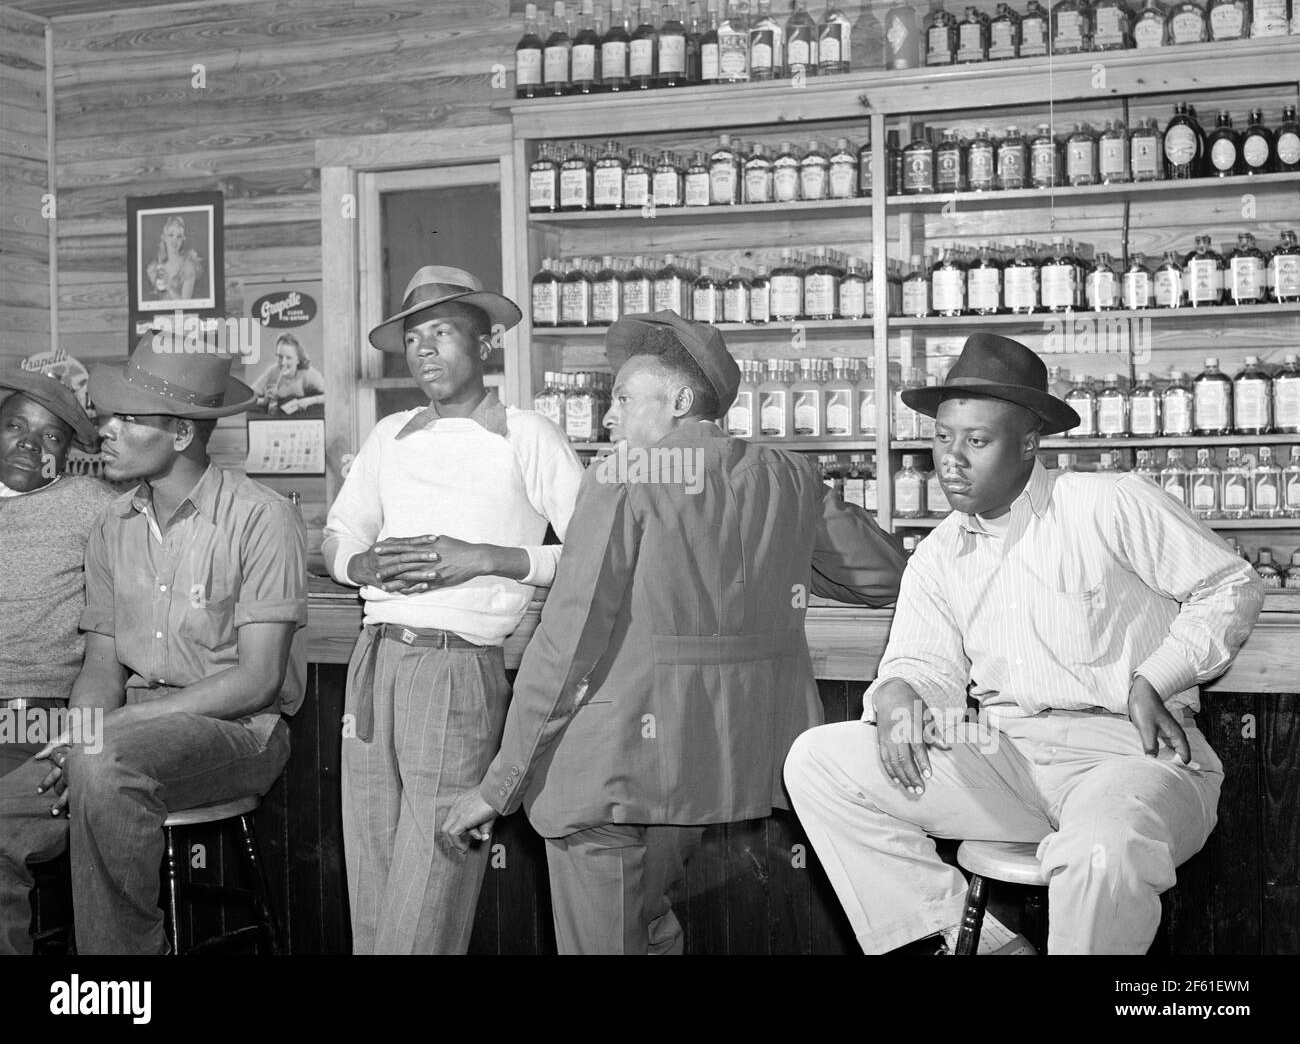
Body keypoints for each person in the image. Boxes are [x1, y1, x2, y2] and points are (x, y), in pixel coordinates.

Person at [783, 332, 1265, 956]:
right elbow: (922, 663)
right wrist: (900, 690)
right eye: (942, 437)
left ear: (1030, 444)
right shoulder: (938, 552)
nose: (950, 460)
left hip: (1131, 755)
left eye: (976, 441)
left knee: (1101, 849)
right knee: (819, 760)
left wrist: (1159, 675)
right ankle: (990, 951)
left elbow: (1230, 585)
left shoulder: (1108, 503)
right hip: (1006, 755)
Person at [444, 310, 907, 955]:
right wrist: (781, 559)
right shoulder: (789, 477)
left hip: (606, 776)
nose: (609, 418)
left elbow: (566, 643)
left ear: (682, 401)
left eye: (625, 399)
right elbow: (886, 576)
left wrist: (501, 783)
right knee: (650, 928)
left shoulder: (619, 479)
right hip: (706, 774)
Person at [0, 341, 307, 955]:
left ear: (182, 433)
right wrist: (84, 727)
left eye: (128, 419)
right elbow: (100, 663)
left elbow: (257, 682)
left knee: (102, 764)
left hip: (240, 731)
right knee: (12, 803)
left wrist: (109, 731)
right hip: (125, 728)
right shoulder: (113, 526)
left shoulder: (261, 517)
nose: (105, 432)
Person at [322, 265, 583, 955]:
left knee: (430, 886)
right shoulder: (389, 435)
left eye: (442, 332)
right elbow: (337, 535)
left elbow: (595, 555)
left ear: (487, 344)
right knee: (373, 884)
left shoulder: (527, 433)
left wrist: (490, 557)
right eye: (413, 337)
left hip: (455, 666)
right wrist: (360, 564)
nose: (425, 350)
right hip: (374, 660)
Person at [0, 366, 117, 779]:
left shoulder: (92, 503)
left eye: (50, 437)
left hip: (31, 714)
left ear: (67, 454)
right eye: (14, 426)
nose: (29, 444)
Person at [250, 334, 326, 416]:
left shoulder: (308, 373)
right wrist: (264, 401)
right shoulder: (273, 371)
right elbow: (247, 397)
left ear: (298, 360)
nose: (283, 363)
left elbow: (330, 395)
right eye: (279, 357)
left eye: (288, 358)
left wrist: (309, 401)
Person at [144, 214, 204, 303]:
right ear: (164, 237)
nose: (174, 240)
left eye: (179, 236)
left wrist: (169, 286)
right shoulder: (159, 268)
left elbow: (185, 306)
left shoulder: (188, 267)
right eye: (171, 235)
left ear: (182, 240)